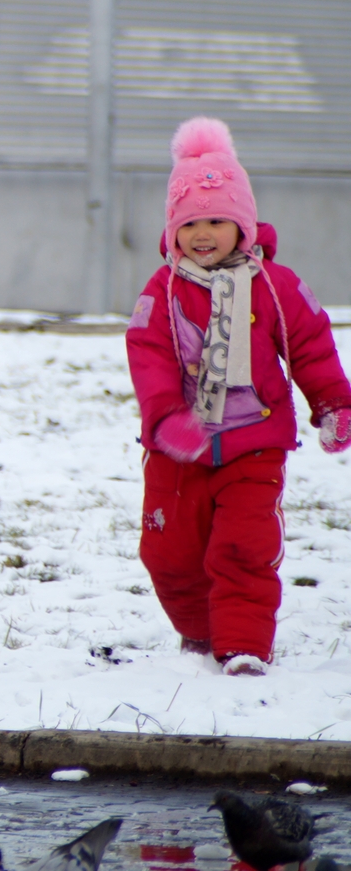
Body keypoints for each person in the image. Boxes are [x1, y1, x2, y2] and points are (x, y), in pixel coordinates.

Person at [126, 116, 351, 677]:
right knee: (168, 553)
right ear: (173, 229)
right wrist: (165, 418)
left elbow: (311, 343)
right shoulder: (164, 291)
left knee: (244, 548)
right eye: (190, 222)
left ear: (243, 223)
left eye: (217, 220)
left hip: (255, 444)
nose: (203, 233)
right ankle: (201, 632)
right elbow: (147, 355)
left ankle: (242, 645)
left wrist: (333, 404)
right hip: (179, 450)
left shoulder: (273, 285)